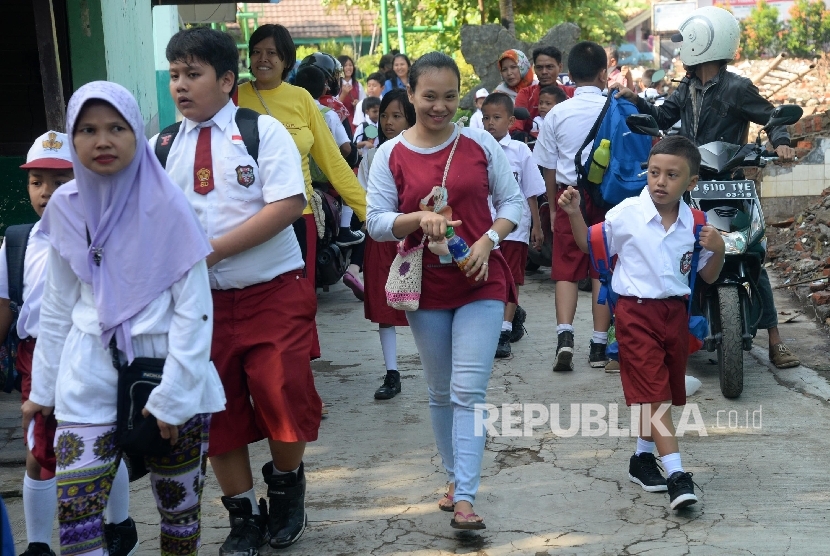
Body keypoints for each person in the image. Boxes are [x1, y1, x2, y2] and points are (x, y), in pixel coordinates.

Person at [22, 80, 224, 556]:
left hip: (165, 374)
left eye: (116, 127)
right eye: (88, 130)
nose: (103, 140)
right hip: (86, 374)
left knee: (179, 521)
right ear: (72, 139)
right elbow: (54, 310)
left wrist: (172, 400)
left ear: (136, 132)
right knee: (76, 523)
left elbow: (194, 314)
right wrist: (42, 392)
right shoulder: (67, 213)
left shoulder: (171, 209)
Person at [161, 27, 321, 552]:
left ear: (227, 80)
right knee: (218, 409)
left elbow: (286, 206)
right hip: (200, 305)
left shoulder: (261, 131)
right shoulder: (162, 146)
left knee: (283, 393)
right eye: (175, 75)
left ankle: (287, 487)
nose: (181, 86)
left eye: (193, 74)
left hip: (272, 291)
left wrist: (211, 250)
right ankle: (243, 516)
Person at [367, 52, 523, 529]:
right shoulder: (389, 153)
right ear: (410, 94)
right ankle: (454, 478)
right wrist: (418, 219)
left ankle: (466, 500)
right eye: (429, 97)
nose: (440, 107)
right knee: (439, 390)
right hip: (426, 288)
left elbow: (513, 201)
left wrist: (487, 239)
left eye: (450, 97)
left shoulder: (479, 143)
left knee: (468, 389)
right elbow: (375, 223)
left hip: (481, 280)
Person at [612, 5, 800, 369]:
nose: (681, 49)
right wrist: (634, 99)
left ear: (701, 41)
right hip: (694, 183)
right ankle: (677, 331)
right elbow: (663, 117)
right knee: (687, 256)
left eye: (685, 42)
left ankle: (776, 340)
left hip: (731, 182)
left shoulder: (738, 87)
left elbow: (771, 115)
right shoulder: (686, 89)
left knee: (753, 256)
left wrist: (781, 139)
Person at [558, 135, 726, 509]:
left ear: (691, 183)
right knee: (656, 394)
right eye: (654, 173)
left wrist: (720, 251)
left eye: (671, 175)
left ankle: (641, 458)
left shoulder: (696, 224)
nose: (660, 181)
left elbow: (709, 276)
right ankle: (678, 474)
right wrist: (573, 214)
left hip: (675, 315)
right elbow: (590, 244)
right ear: (645, 174)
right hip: (634, 314)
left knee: (661, 388)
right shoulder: (626, 214)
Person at [0, 133, 136, 556]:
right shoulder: (18, 242)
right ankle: (39, 544)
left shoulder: (101, 237)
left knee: (99, 445)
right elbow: (5, 304)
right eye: (37, 181)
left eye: (59, 182)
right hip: (35, 357)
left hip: (89, 355)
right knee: (40, 450)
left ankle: (118, 528)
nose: (46, 192)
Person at [237, 24, 367, 360]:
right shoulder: (233, 98)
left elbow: (334, 163)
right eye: (257, 51)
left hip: (299, 216)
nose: (263, 59)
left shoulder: (301, 100)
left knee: (298, 299)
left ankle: (300, 383)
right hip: (245, 217)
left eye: (273, 53)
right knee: (256, 301)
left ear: (286, 60)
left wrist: (371, 212)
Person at [533, 41, 612, 372]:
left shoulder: (557, 113)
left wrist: (553, 207)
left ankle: (565, 337)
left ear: (571, 74)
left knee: (564, 269)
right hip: (608, 197)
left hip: (568, 196)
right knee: (601, 269)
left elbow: (547, 166)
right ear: (604, 74)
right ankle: (598, 344)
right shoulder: (616, 109)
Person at [357, 89, 416, 399]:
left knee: (428, 303)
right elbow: (367, 200)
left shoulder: (423, 153)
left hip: (419, 236)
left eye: (397, 116)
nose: (389, 122)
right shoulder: (372, 155)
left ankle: (441, 366)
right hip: (384, 237)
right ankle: (392, 372)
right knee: (385, 307)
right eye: (384, 116)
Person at [481, 93, 545, 359]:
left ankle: (504, 330)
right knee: (486, 278)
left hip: (516, 227)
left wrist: (537, 226)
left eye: (497, 118)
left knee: (511, 278)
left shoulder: (520, 151)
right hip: (483, 227)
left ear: (510, 121)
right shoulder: (476, 149)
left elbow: (530, 191)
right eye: (486, 118)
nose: (491, 123)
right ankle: (496, 323)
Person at [511, 46, 575, 135]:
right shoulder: (526, 94)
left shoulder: (572, 93)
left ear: (560, 67)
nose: (544, 72)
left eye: (549, 67)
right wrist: (517, 133)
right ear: (534, 69)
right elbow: (517, 124)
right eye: (539, 67)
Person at [337, 54, 365, 125]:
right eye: (345, 65)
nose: (348, 68)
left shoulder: (358, 85)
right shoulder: (336, 85)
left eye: (350, 65)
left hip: (355, 121)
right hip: (340, 122)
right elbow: (333, 107)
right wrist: (343, 94)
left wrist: (358, 104)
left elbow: (364, 104)